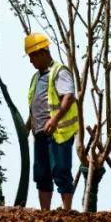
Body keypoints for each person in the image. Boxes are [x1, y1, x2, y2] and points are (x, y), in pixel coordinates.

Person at [24, 32, 79, 211]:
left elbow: (68, 97)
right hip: (40, 133)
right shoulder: (35, 78)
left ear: (42, 52)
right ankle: (45, 214)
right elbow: (36, 104)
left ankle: (67, 211)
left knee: (61, 171)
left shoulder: (59, 71)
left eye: (32, 56)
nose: (30, 61)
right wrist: (27, 125)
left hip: (58, 133)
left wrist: (54, 120)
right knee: (42, 175)